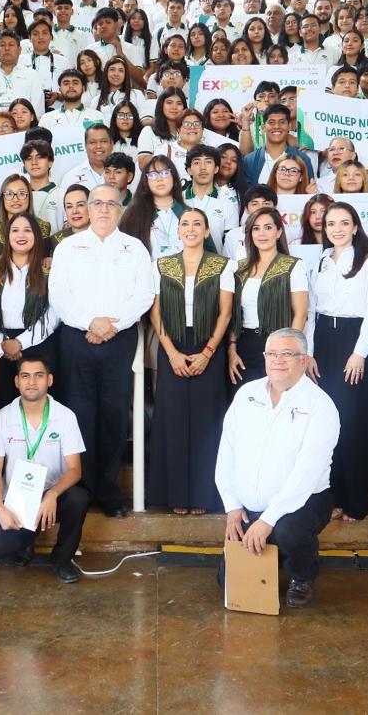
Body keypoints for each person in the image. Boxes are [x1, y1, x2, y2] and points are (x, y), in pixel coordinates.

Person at [48, 185, 155, 518]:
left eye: (111, 203)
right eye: (98, 203)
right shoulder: (68, 247)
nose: (104, 209)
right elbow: (59, 295)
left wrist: (111, 325)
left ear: (120, 209)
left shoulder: (134, 248)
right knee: (79, 416)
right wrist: (90, 323)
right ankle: (81, 488)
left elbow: (144, 294)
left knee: (113, 416)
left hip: (118, 338)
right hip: (76, 339)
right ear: (88, 208)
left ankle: (108, 492)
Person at [216, 328, 338, 610]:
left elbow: (306, 474)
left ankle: (302, 576)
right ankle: (274, 554)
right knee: (227, 583)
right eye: (272, 353)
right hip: (251, 504)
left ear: (304, 360)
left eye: (287, 354)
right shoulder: (247, 394)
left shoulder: (321, 406)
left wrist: (267, 520)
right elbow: (227, 452)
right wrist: (232, 506)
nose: (278, 360)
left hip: (306, 500)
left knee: (289, 532)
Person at [150, 210, 233, 515]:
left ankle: (203, 495)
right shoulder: (161, 265)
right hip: (171, 344)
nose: (191, 228)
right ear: (178, 231)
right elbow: (155, 312)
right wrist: (171, 352)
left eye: (197, 223)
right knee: (172, 420)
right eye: (185, 223)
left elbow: (225, 313)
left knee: (207, 422)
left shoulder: (223, 265)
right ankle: (175, 496)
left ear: (207, 231)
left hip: (208, 344)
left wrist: (208, 352)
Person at [0, 355, 88, 583]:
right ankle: (26, 542)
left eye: (39, 376)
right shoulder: (2, 418)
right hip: (17, 499)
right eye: (25, 376)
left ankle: (62, 560)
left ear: (49, 380)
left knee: (78, 498)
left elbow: (74, 469)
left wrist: (52, 494)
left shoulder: (65, 416)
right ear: (16, 381)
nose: (31, 382)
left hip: (52, 496)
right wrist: (0, 508)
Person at [310, 203, 368, 523]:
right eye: (331, 224)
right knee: (328, 422)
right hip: (324, 341)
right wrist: (309, 351)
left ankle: (356, 501)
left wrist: (359, 353)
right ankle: (334, 496)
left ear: (355, 227)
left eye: (344, 223)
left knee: (355, 423)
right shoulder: (323, 260)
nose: (337, 229)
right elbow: (312, 309)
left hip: (355, 341)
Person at [0, 214, 59, 409]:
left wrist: (20, 342)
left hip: (37, 345)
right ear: (7, 236)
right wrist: (2, 341)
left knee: (36, 407)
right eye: (15, 230)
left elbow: (54, 313)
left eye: (27, 230)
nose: (21, 235)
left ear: (36, 236)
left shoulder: (48, 270)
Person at [228, 207, 308, 387]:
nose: (261, 233)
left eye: (268, 227)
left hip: (278, 343)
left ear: (279, 232)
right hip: (244, 345)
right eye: (256, 228)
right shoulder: (241, 268)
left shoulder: (293, 266)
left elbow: (301, 313)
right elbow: (234, 314)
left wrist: (288, 351)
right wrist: (232, 350)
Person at [240, 104, 314, 188]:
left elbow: (309, 192)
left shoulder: (303, 159)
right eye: (271, 122)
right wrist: (245, 120)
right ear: (263, 127)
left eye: (282, 122)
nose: (277, 126)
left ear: (289, 126)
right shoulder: (250, 160)